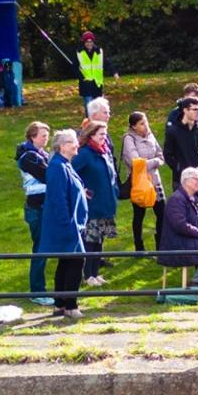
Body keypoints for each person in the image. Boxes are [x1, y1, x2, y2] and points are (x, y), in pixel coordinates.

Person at [40, 129, 90, 314]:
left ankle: (60, 304)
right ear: (61, 146)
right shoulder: (57, 167)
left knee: (66, 262)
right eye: (71, 142)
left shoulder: (64, 165)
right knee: (76, 262)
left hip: (71, 224)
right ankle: (70, 305)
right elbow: (58, 198)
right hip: (68, 226)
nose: (76, 144)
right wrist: (68, 225)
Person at [75, 120, 120, 284]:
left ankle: (95, 273)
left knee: (100, 240)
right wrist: (82, 190)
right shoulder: (84, 153)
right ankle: (87, 275)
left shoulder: (103, 151)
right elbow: (72, 173)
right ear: (91, 135)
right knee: (90, 241)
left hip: (105, 203)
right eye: (101, 134)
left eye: (105, 134)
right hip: (92, 205)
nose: (104, 137)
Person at [15, 120, 52, 302]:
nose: (46, 139)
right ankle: (37, 291)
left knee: (44, 248)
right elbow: (48, 176)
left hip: (44, 206)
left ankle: (40, 290)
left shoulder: (41, 154)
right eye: (43, 136)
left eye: (47, 136)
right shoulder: (28, 157)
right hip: (36, 207)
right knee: (40, 249)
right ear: (32, 137)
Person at [121, 110, 166, 253]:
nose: (145, 126)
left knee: (162, 214)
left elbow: (161, 155)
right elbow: (136, 163)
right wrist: (155, 162)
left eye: (146, 122)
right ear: (133, 126)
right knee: (139, 215)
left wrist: (155, 161)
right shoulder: (129, 139)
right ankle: (139, 247)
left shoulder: (150, 135)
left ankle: (160, 246)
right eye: (141, 124)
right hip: (139, 182)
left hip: (155, 181)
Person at [164, 94, 198, 186]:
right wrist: (180, 168)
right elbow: (168, 154)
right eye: (195, 109)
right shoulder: (173, 131)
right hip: (180, 179)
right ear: (185, 110)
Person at [76, 31, 107, 102]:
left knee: (98, 107)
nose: (89, 44)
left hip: (97, 84)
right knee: (89, 106)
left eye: (91, 42)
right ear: (84, 43)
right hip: (85, 84)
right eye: (87, 42)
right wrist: (81, 77)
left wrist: (114, 72)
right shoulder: (79, 52)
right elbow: (75, 67)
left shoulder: (99, 51)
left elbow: (106, 62)